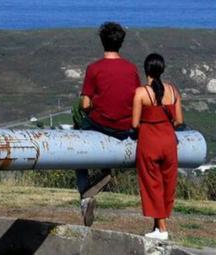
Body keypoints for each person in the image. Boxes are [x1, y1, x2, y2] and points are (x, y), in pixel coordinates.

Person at [74, 21, 140, 226]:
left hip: (101, 123)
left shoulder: (94, 69)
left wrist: (92, 103)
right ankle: (105, 171)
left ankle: (85, 193)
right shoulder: (131, 69)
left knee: (77, 139)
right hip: (126, 126)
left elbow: (85, 104)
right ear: (121, 42)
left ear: (102, 42)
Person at [132, 53, 182, 241]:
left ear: (146, 70)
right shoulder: (173, 91)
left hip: (149, 142)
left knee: (152, 184)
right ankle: (157, 226)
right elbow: (179, 120)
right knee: (167, 183)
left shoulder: (141, 93)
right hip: (169, 141)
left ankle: (162, 229)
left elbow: (135, 123)